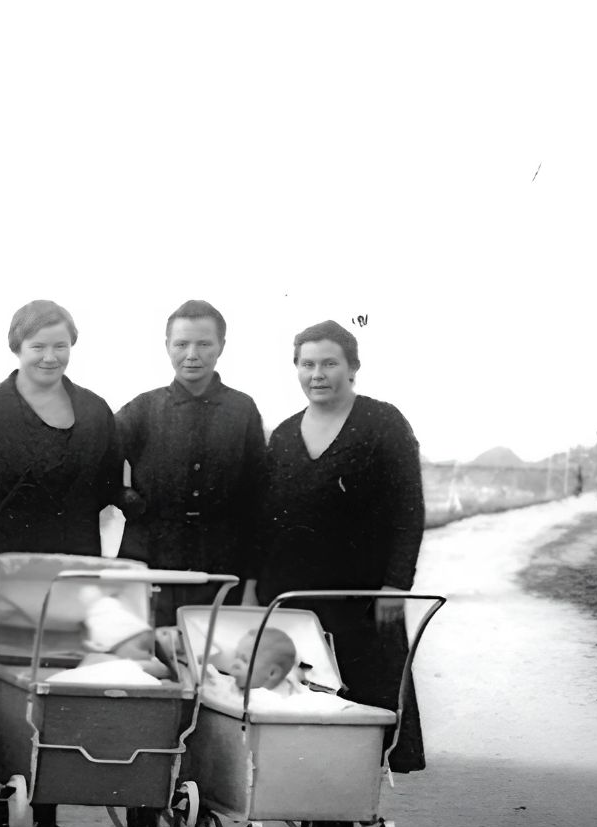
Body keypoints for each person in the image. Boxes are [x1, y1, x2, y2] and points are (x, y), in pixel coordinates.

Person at [0, 300, 126, 827]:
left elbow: (109, 484)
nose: (49, 356)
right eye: (37, 345)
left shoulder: (94, 410)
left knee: (59, 683)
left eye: (59, 345)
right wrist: (1, 525)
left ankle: (45, 814)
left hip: (70, 571)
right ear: (16, 348)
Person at [250, 319, 425, 779]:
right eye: (307, 364)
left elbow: (409, 509)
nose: (318, 374)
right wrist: (257, 588)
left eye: (330, 363)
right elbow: (267, 521)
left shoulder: (382, 422)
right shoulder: (285, 434)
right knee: (296, 710)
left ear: (353, 367)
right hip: (293, 598)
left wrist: (395, 585)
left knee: (360, 712)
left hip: (362, 600)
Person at [113, 299, 268, 624]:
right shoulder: (143, 408)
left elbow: (257, 497)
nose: (192, 354)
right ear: (167, 346)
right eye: (182, 344)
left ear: (221, 346)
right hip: (150, 559)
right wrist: (126, 497)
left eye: (204, 344)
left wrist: (253, 578)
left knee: (214, 661)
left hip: (221, 565)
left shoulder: (242, 409)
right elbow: (97, 460)